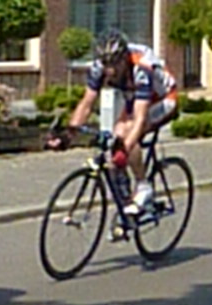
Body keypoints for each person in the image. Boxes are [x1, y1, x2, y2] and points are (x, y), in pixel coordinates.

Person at [51, 29, 179, 216]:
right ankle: (127, 198)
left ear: (124, 58)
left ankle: (143, 186)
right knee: (117, 133)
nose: (110, 70)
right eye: (106, 64)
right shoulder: (99, 67)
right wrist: (69, 134)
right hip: (134, 96)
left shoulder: (141, 69)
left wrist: (124, 151)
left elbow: (140, 118)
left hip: (163, 98)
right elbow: (86, 103)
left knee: (127, 133)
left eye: (115, 64)